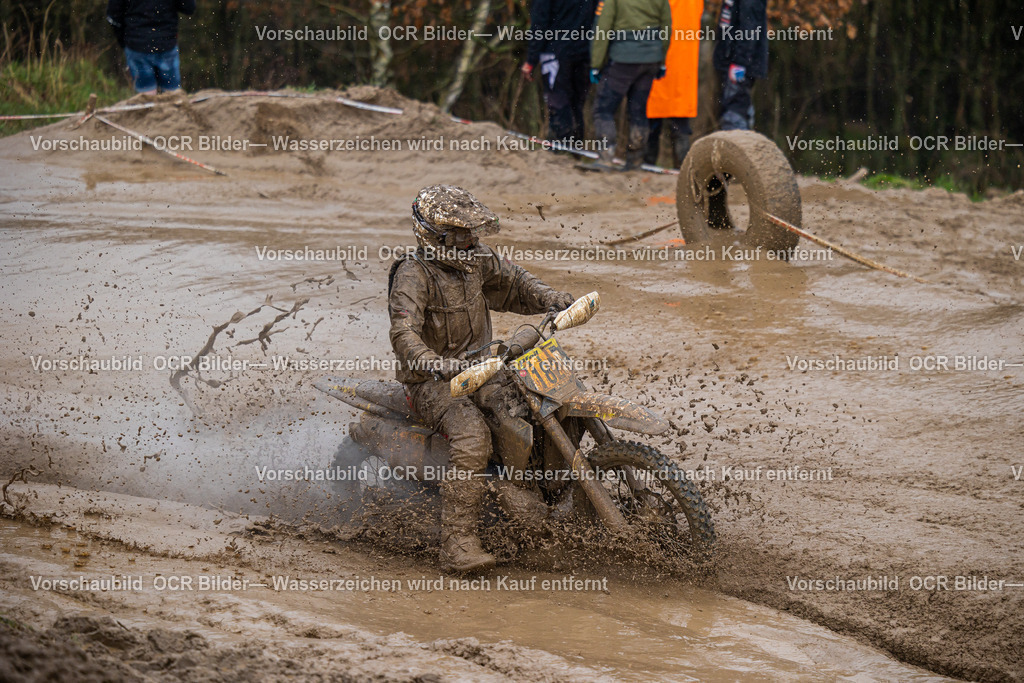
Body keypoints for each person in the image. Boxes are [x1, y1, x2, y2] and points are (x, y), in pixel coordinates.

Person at [388, 185, 575, 573]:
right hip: (432, 382)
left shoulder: (475, 261)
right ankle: (457, 544)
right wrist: (436, 363)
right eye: (460, 233)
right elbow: (403, 334)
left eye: (472, 231)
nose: (470, 239)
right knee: (473, 439)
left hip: (483, 368)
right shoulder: (412, 273)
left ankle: (542, 498)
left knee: (542, 403)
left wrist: (550, 297)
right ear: (434, 234)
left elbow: (514, 282)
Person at [585, 0, 672, 171]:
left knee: (603, 109)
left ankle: (605, 157)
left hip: (623, 58)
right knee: (638, 111)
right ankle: (635, 160)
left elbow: (603, 28)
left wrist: (596, 64)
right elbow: (667, 26)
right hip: (650, 58)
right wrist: (662, 60)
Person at [522, 0, 597, 147]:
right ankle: (574, 149)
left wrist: (531, 59)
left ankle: (561, 149)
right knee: (576, 103)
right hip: (584, 52)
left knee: (558, 101)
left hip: (556, 52)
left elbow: (539, 23)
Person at [643, 0, 703, 168]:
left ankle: (646, 165)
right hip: (681, 64)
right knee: (679, 121)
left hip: (657, 57)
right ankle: (683, 169)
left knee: (652, 119)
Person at [106, 0, 196, 95]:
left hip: (137, 44)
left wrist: (124, 42)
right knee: (172, 95)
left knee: (146, 97)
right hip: (165, 43)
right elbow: (189, 8)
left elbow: (113, 17)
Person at [713, 0, 767, 130]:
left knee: (734, 115)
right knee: (731, 110)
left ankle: (739, 145)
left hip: (739, 64)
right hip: (729, 60)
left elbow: (750, 28)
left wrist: (740, 63)